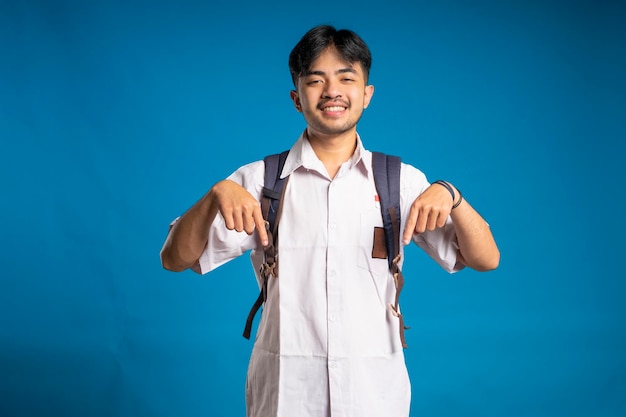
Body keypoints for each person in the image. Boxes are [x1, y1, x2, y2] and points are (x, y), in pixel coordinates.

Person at [160, 25, 499, 417]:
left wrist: (452, 195)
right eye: (316, 80)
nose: (332, 91)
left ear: (367, 94)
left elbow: (485, 259)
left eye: (346, 78)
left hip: (373, 397)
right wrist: (215, 194)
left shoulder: (400, 182)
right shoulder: (259, 182)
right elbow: (175, 259)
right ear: (296, 98)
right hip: (286, 396)